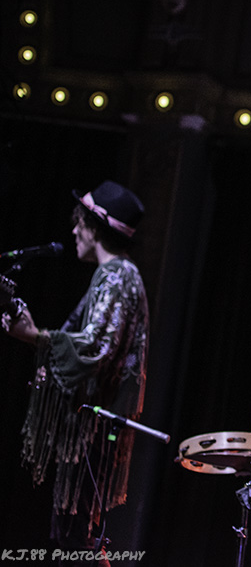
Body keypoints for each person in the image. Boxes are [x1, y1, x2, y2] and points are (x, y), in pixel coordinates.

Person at [2, 180, 149, 564]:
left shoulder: (118, 276)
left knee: (78, 543)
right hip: (90, 428)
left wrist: (35, 337)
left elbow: (95, 349)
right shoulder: (113, 275)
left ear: (95, 226)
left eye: (78, 222)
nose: (73, 231)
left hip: (96, 430)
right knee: (74, 541)